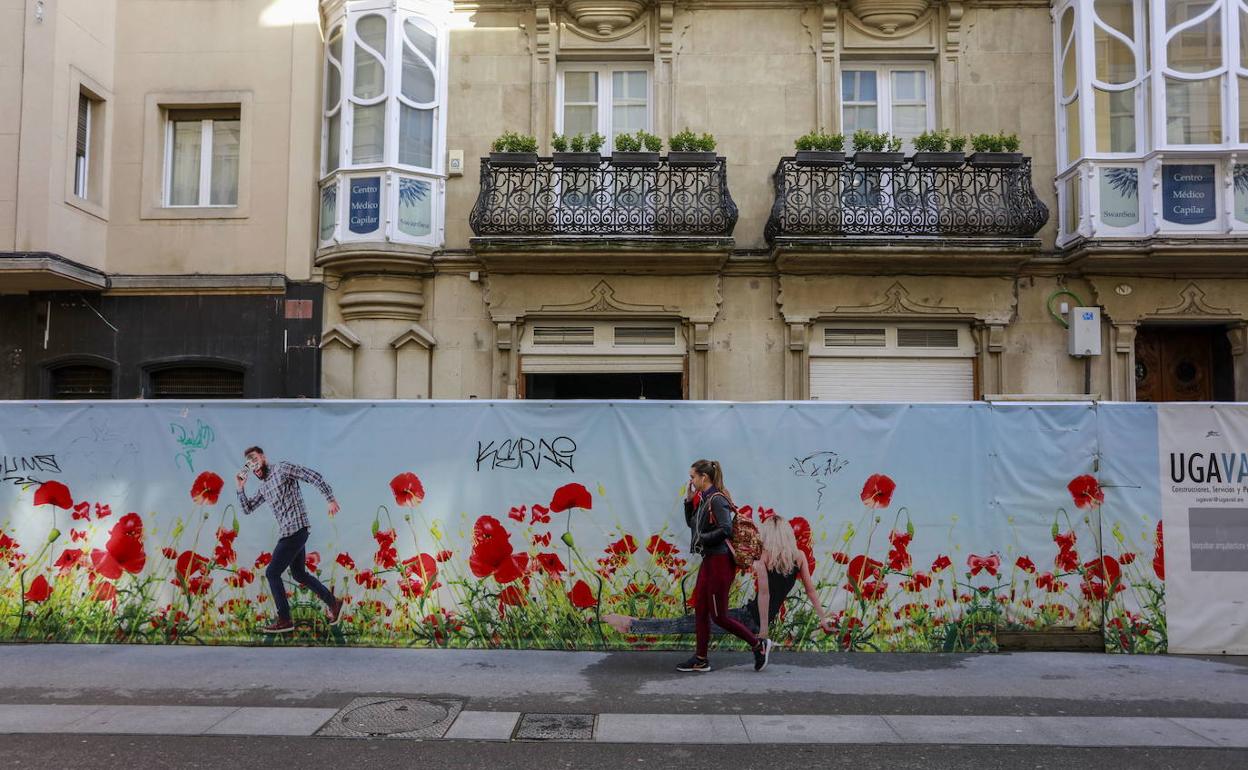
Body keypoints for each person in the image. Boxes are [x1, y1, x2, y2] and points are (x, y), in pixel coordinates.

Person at [605, 514, 835, 656]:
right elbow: (810, 590)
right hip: (751, 616)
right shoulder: (799, 557)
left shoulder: (765, 558)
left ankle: (632, 625)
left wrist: (763, 631)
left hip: (750, 618)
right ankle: (634, 624)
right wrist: (823, 618)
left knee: (686, 623)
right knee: (690, 622)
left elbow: (764, 594)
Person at [675, 459, 771, 673]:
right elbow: (692, 524)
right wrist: (688, 502)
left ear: (704, 477)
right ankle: (701, 659)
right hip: (709, 560)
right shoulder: (704, 499)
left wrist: (703, 538)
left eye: (693, 477)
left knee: (719, 616)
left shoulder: (717, 499)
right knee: (701, 610)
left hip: (720, 562)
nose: (690, 481)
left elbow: (726, 529)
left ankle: (758, 645)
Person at [236, 446, 343, 633]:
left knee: (272, 573)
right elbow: (248, 508)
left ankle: (284, 619)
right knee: (299, 574)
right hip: (289, 532)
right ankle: (333, 602)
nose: (254, 466)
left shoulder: (282, 469)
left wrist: (330, 498)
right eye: (249, 464)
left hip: (296, 529)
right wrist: (240, 487)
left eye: (255, 460)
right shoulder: (264, 487)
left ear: (263, 457)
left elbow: (311, 475)